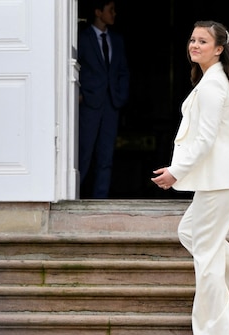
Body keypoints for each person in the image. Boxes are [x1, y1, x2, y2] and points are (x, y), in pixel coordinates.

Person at [151, 20, 229, 335]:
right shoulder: (210, 81)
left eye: (203, 41)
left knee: (206, 252)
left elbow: (205, 140)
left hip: (223, 179)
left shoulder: (214, 85)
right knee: (190, 233)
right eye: (192, 40)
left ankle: (215, 329)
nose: (194, 45)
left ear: (219, 49)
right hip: (221, 179)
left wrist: (176, 171)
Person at [77, 0, 129, 199]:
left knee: (106, 155)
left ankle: (101, 198)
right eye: (111, 10)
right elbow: (73, 66)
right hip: (89, 104)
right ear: (98, 12)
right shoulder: (82, 37)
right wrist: (78, 94)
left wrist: (121, 95)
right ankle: (73, 196)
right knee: (83, 153)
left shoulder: (117, 39)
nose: (114, 14)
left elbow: (123, 70)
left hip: (111, 104)